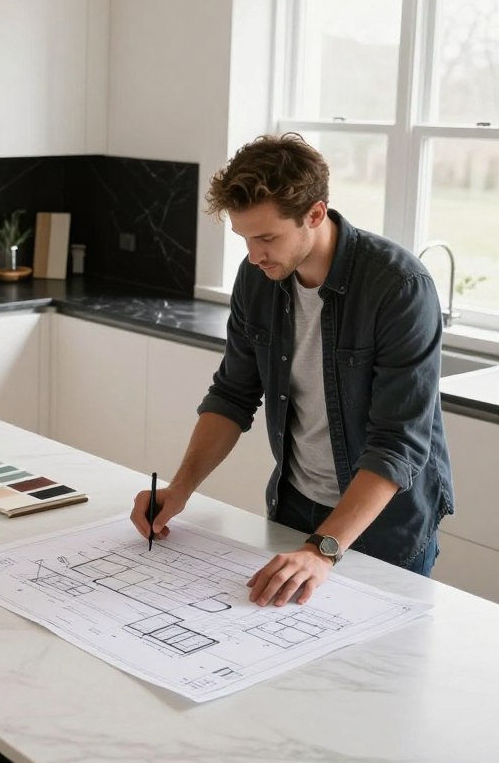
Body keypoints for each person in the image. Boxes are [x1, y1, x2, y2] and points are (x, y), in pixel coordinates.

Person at [131, 133, 454, 607]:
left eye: (266, 237)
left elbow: (397, 445)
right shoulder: (258, 276)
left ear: (315, 215)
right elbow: (233, 394)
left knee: (375, 674)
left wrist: (322, 549)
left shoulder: (399, 287)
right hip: (294, 504)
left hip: (382, 523)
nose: (254, 255)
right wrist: (180, 490)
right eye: (245, 238)